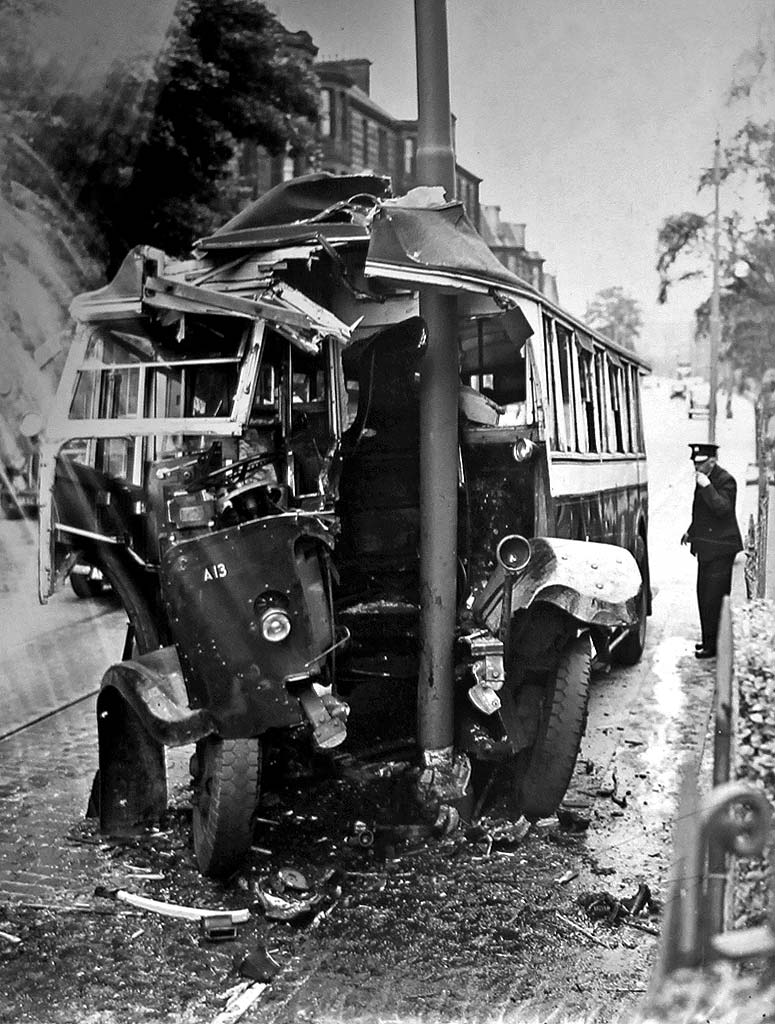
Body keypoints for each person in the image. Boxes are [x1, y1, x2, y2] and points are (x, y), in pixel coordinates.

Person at [680, 442, 743, 658]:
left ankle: (713, 646)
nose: (697, 469)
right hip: (706, 549)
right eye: (696, 465)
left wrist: (707, 486)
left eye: (701, 464)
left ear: (712, 462)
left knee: (713, 599)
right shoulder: (703, 478)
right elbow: (701, 512)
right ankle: (707, 641)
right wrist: (691, 532)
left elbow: (722, 509)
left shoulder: (726, 481)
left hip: (721, 550)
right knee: (703, 596)